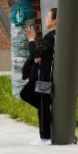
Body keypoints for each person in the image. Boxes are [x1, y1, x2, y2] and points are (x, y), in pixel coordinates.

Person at [21, 8, 57, 146]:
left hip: (45, 77)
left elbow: (35, 52)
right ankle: (48, 112)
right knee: (27, 94)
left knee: (41, 104)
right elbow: (40, 53)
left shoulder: (51, 36)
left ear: (55, 20)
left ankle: (45, 137)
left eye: (48, 16)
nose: (46, 19)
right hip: (42, 75)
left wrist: (31, 39)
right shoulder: (52, 36)